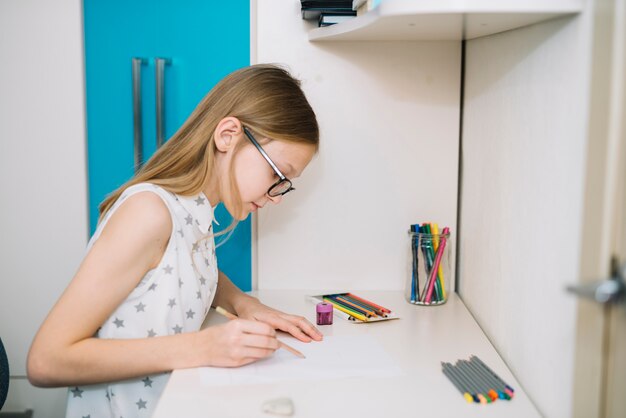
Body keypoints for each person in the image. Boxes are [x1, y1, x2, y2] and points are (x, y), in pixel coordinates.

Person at [27, 64, 323, 417]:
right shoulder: (149, 213)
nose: (277, 197)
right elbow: (46, 361)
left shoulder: (196, 213)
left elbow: (189, 271)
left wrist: (245, 303)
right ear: (228, 135)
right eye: (278, 175)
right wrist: (200, 347)